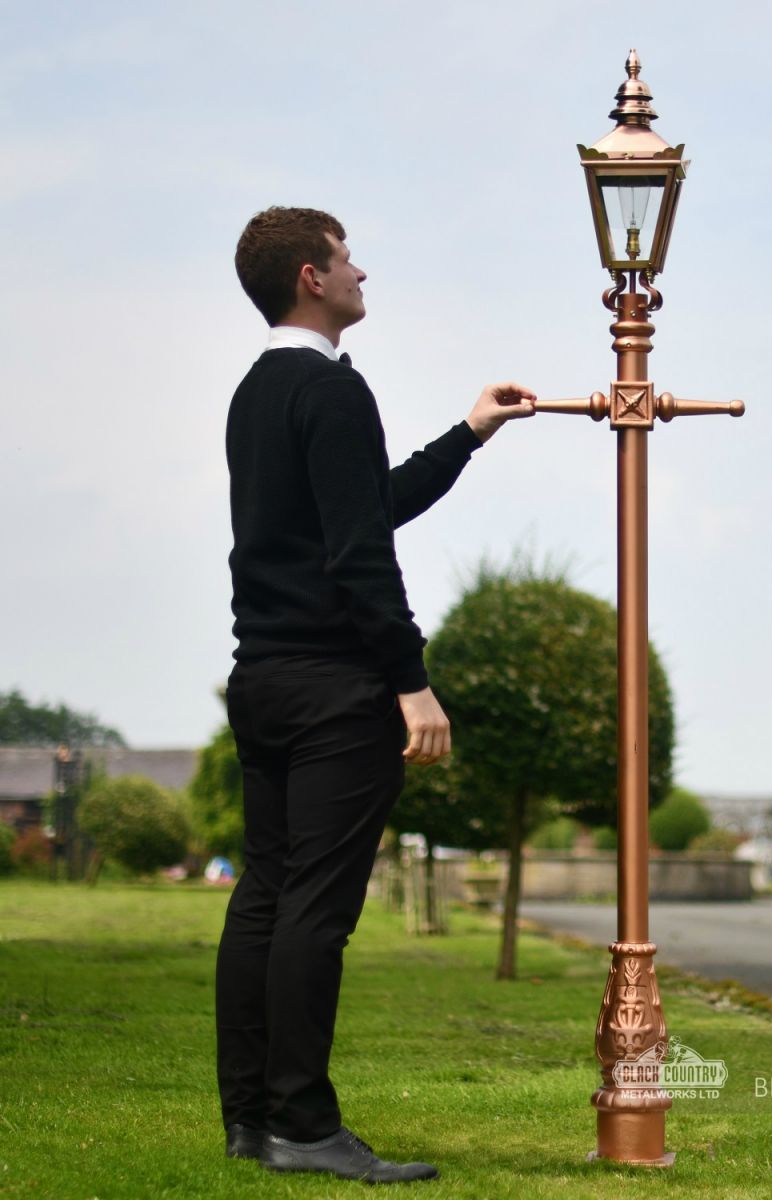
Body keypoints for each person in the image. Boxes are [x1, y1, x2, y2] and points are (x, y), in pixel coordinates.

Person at [215, 206, 535, 1184]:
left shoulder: (255, 395)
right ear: (312, 277)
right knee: (315, 907)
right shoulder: (335, 392)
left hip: (263, 681)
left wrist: (468, 432)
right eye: (349, 259)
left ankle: (253, 1123)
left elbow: (368, 505)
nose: (363, 273)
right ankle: (305, 1126)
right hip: (333, 690)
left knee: (266, 898)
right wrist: (412, 683)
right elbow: (361, 555)